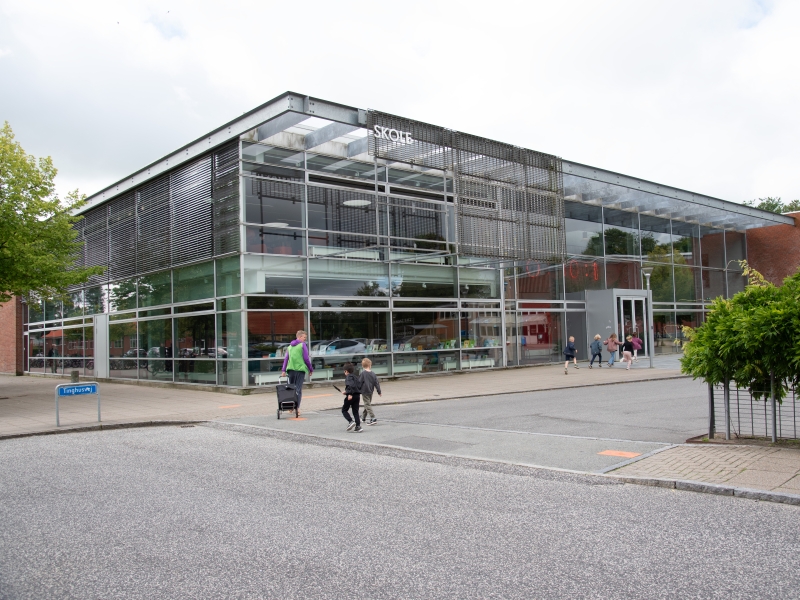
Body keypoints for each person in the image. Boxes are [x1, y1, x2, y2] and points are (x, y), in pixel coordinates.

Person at [280, 330, 314, 417]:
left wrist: (283, 370)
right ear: (299, 337)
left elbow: (286, 359)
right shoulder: (302, 345)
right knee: (298, 389)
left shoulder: (289, 347)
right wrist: (310, 369)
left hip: (290, 370)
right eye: (304, 337)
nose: (305, 339)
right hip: (300, 370)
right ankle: (297, 408)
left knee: (291, 389)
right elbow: (306, 359)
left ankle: (291, 407)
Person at [359, 357, 382, 425]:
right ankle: (363, 417)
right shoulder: (373, 374)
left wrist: (357, 390)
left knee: (367, 404)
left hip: (364, 391)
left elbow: (359, 382)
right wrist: (379, 391)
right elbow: (376, 383)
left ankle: (373, 417)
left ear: (363, 366)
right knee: (367, 404)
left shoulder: (363, 373)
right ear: (369, 365)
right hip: (370, 391)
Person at [341, 362, 362, 432]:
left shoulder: (348, 377)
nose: (344, 372)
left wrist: (349, 393)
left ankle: (350, 421)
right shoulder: (355, 377)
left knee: (344, 410)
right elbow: (357, 386)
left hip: (351, 396)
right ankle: (358, 426)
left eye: (344, 371)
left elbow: (350, 385)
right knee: (355, 411)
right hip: (357, 395)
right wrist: (346, 392)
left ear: (346, 371)